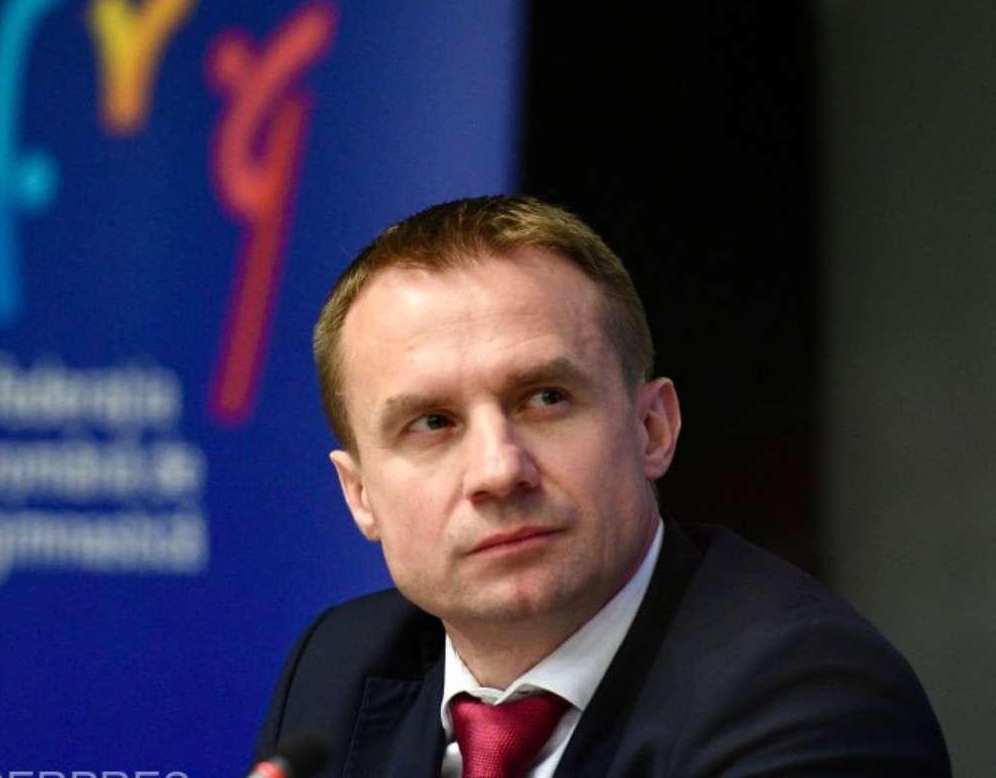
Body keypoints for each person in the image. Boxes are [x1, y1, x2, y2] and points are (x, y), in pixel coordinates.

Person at [254, 196, 950, 777]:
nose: (499, 471)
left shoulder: (809, 698)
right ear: (360, 495)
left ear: (653, 429)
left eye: (545, 398)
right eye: (433, 423)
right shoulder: (338, 665)